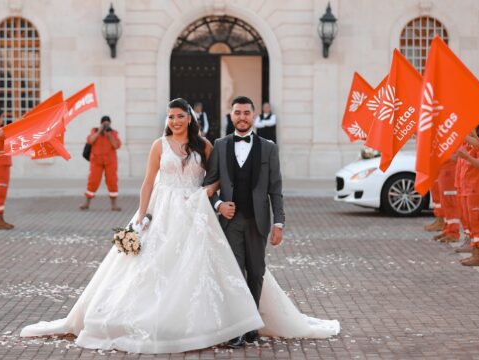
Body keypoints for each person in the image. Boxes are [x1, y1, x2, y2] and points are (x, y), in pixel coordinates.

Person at [20, 98, 339, 353]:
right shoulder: (158, 146)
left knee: (200, 267)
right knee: (150, 267)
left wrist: (207, 196)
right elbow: (147, 183)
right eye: (171, 117)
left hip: (194, 212)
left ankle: (226, 323)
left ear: (190, 118)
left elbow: (214, 181)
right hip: (161, 210)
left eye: (180, 116)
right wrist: (142, 216)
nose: (175, 121)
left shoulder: (206, 145)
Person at [204, 96, 339, 347]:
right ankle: (237, 327)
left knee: (256, 273)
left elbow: (275, 189)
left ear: (253, 116)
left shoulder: (268, 148)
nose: (242, 117)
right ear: (231, 116)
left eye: (246, 112)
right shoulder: (220, 145)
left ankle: (252, 323)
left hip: (258, 221)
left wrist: (279, 223)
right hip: (230, 223)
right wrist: (219, 205)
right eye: (237, 112)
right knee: (234, 273)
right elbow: (208, 184)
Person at [457, 126, 479, 266]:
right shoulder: (476, 144)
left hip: (478, 191)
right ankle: (476, 253)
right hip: (471, 189)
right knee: (474, 224)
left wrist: (467, 157)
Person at [79, 116, 122, 211]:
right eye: (104, 124)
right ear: (101, 124)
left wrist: (109, 135)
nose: (106, 125)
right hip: (96, 161)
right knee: (92, 181)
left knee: (112, 181)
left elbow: (116, 145)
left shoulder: (113, 133)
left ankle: (114, 204)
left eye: (107, 123)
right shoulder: (94, 131)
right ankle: (87, 202)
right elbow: (90, 141)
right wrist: (99, 132)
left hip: (110, 162)